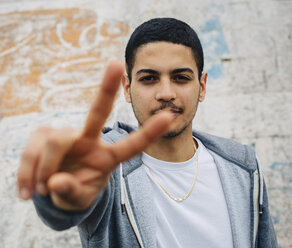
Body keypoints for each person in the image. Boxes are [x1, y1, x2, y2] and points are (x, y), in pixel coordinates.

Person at [17, 18, 277, 247]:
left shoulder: (242, 165)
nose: (166, 93)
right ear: (127, 88)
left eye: (181, 77)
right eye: (149, 78)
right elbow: (65, 210)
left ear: (202, 86)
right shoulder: (108, 168)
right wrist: (60, 197)